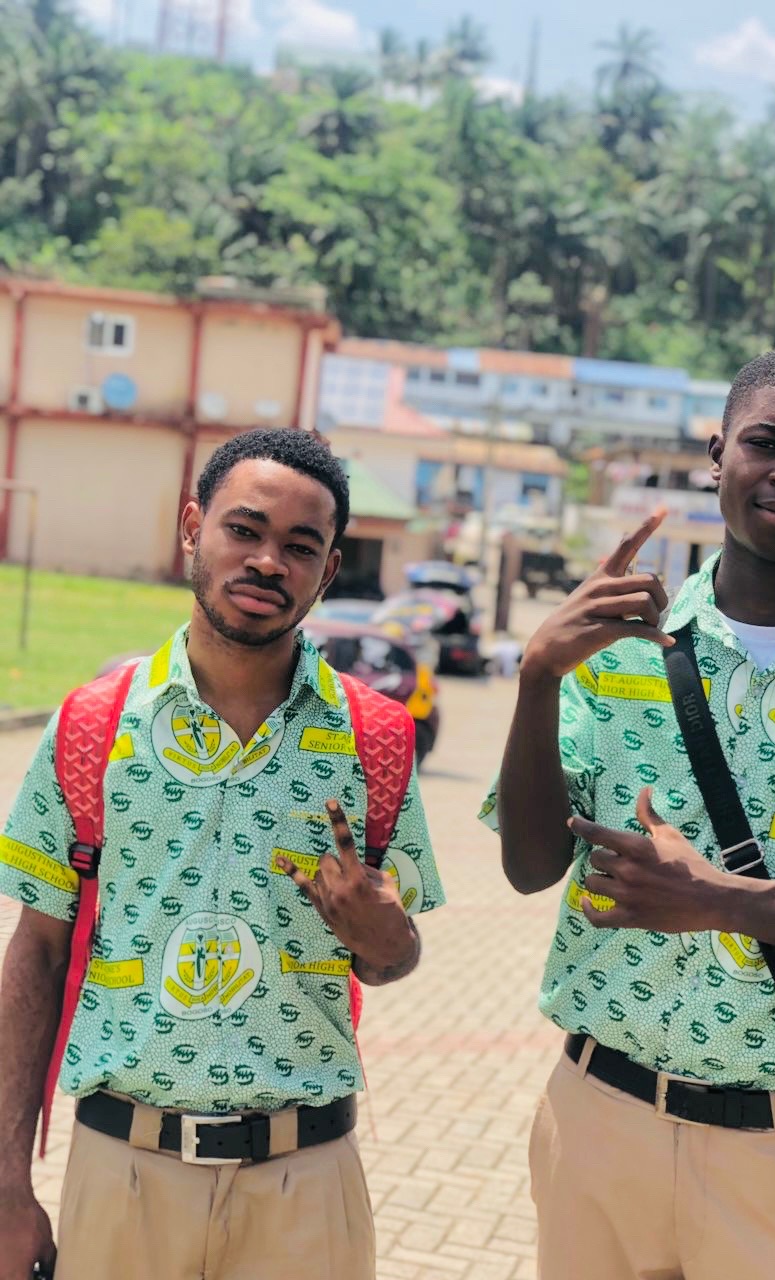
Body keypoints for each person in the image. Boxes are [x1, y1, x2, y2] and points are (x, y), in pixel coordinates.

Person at [481, 344, 775, 1280]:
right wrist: (539, 676)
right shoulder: (616, 646)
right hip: (600, 1122)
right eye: (768, 442)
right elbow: (529, 867)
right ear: (717, 454)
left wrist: (716, 900)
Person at [0, 428, 444, 1280]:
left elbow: (393, 958)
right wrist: (7, 1184)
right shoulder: (94, 726)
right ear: (192, 528)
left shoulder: (375, 740)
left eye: (300, 546)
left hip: (305, 1184)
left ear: (329, 569)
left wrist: (386, 937)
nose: (268, 562)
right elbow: (37, 953)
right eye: (244, 530)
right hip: (122, 1173)